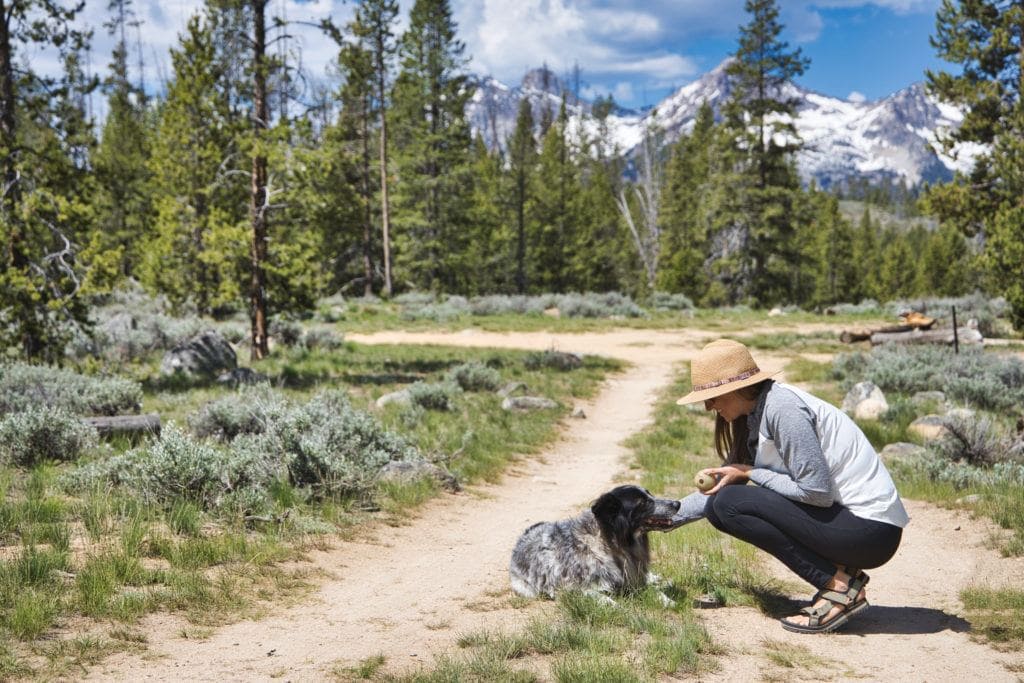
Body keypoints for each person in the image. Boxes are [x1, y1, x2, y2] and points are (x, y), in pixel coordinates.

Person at [671, 339, 908, 634]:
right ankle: (841, 581)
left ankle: (840, 587)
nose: (708, 406)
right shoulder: (753, 415)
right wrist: (665, 515)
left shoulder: (784, 409)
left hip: (872, 532)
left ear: (734, 389)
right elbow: (721, 490)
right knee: (723, 506)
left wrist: (751, 473)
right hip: (848, 523)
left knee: (730, 503)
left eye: (713, 397)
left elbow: (816, 493)